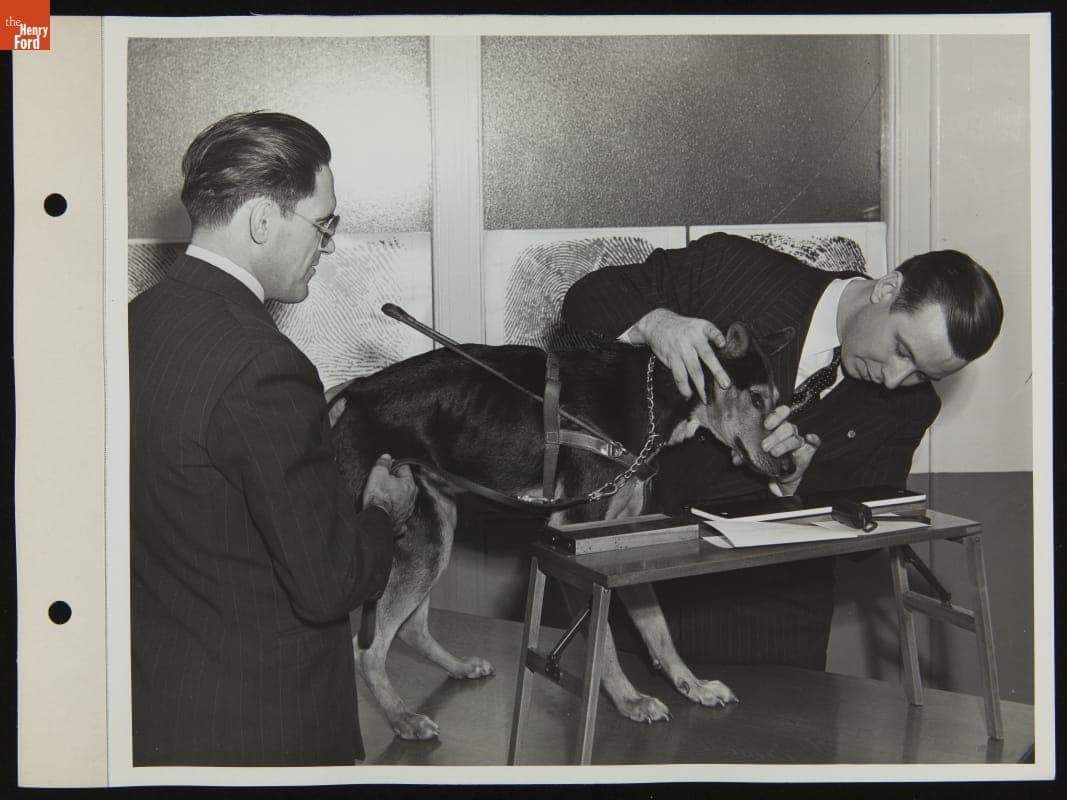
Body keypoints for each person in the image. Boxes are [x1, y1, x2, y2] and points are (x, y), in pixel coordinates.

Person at [561, 231, 1003, 668]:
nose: (893, 380)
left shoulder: (912, 407)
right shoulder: (729, 269)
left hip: (770, 645)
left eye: (920, 374)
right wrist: (656, 323)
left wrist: (799, 483)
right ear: (887, 289)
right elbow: (584, 301)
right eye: (901, 350)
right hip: (617, 610)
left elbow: (864, 542)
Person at [129, 111, 416, 766]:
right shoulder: (264, 363)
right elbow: (328, 584)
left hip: (161, 710)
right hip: (263, 729)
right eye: (324, 224)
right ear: (262, 221)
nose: (330, 246)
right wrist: (381, 514)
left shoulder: (136, 323)